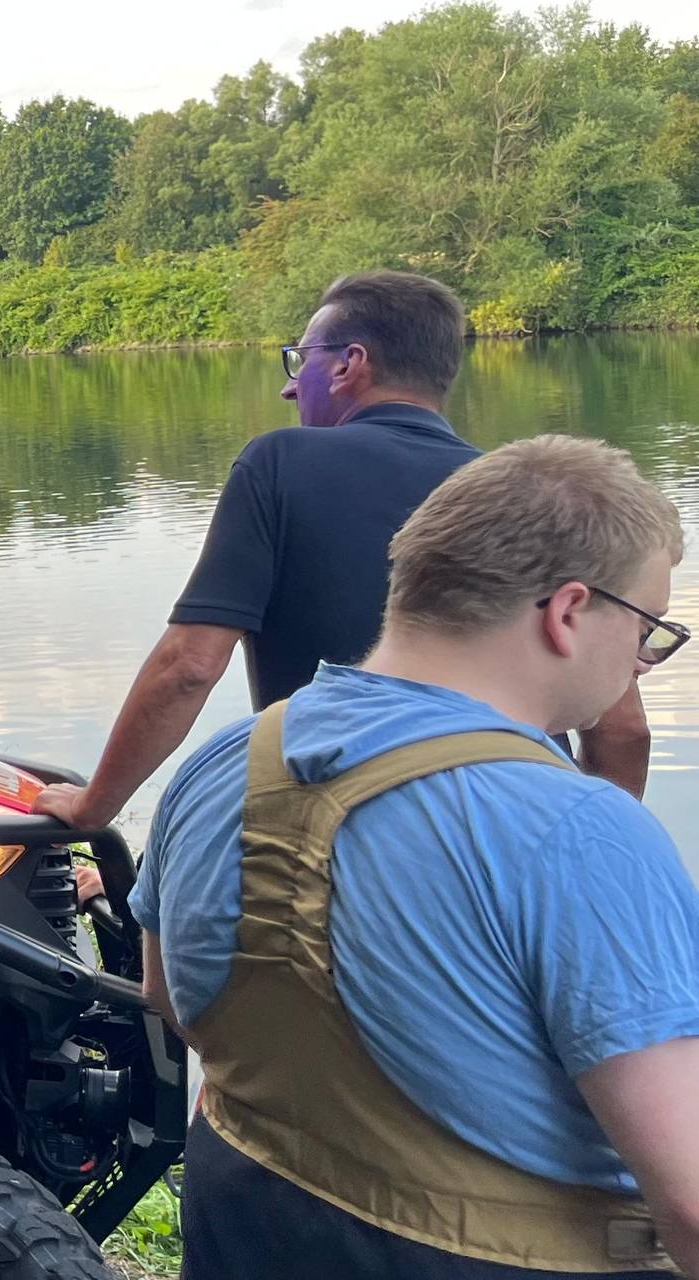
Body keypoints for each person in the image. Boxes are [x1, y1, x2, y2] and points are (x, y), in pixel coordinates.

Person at [131, 435, 698, 1279]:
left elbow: (166, 995)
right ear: (569, 611)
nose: (642, 662)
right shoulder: (577, 828)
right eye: (648, 630)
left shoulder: (220, 763)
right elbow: (690, 1203)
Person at [36, 271, 651, 834]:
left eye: (299, 360)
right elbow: (623, 729)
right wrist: (589, 842)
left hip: (341, 831)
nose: (288, 387)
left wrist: (94, 807)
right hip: (521, 818)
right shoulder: (535, 492)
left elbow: (189, 667)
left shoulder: (279, 464)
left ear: (348, 364)